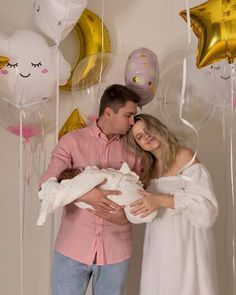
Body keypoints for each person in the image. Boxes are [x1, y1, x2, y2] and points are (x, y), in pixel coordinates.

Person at [40, 84, 141, 295]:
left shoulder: (135, 149)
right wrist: (87, 195)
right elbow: (46, 185)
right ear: (108, 112)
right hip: (72, 249)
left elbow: (142, 196)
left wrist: (127, 217)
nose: (133, 122)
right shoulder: (71, 141)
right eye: (129, 115)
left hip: (116, 252)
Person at [124, 113, 219, 295]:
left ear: (157, 126)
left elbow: (206, 206)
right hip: (159, 245)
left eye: (147, 130)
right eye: (140, 137)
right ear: (138, 145)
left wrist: (160, 200)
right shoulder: (147, 170)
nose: (146, 137)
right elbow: (140, 208)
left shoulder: (184, 155)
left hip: (187, 242)